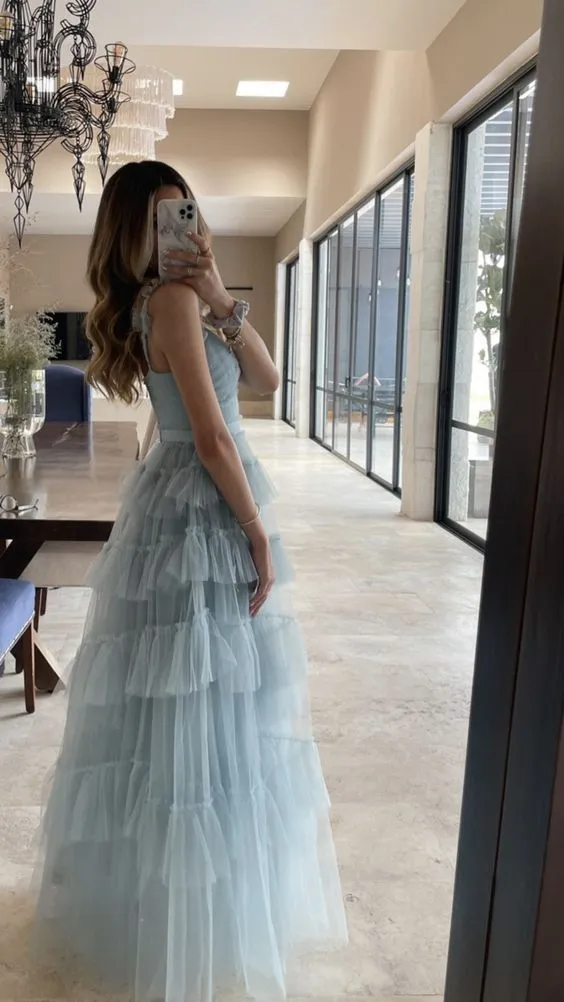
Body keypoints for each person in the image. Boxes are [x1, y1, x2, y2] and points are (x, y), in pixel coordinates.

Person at [33, 161, 347, 1002]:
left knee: (182, 702)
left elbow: (268, 380)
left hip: (181, 495)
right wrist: (254, 530)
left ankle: (162, 902)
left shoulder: (182, 299)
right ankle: (199, 913)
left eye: (189, 211)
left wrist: (219, 293)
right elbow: (211, 436)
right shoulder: (166, 302)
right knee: (206, 696)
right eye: (167, 216)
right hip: (205, 503)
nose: (186, 226)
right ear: (137, 231)